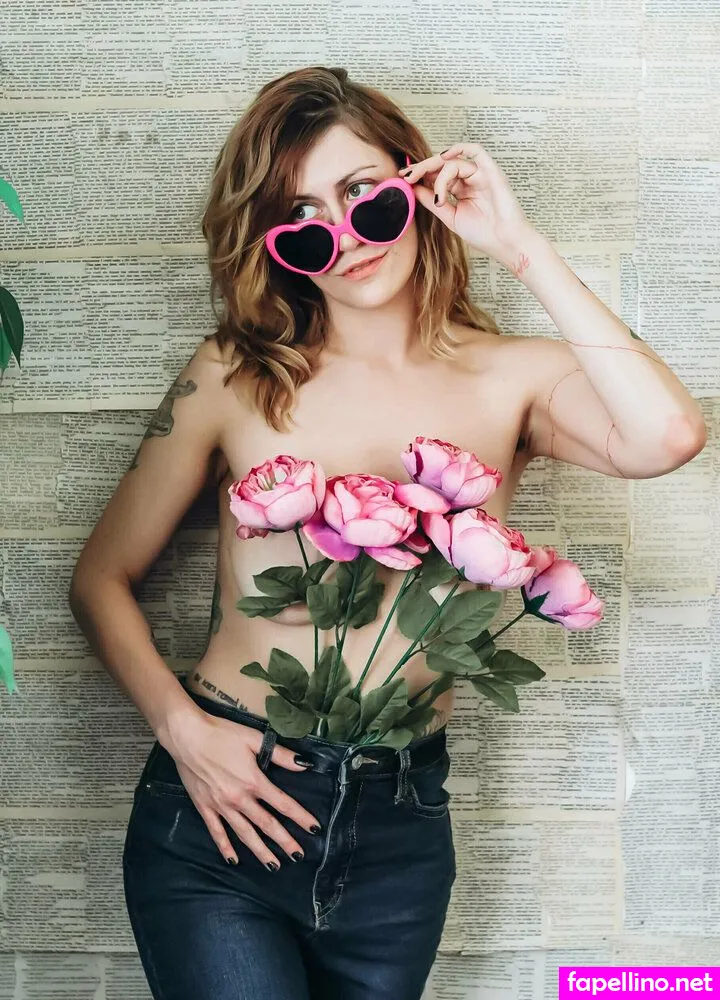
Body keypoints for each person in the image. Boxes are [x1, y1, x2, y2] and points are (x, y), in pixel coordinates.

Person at [68, 65, 707, 1000]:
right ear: (277, 245)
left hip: (400, 837)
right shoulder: (235, 375)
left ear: (418, 184)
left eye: (366, 197)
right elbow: (100, 579)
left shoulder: (512, 378)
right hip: (224, 807)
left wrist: (519, 245)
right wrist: (183, 732)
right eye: (304, 218)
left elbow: (669, 437)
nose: (346, 238)